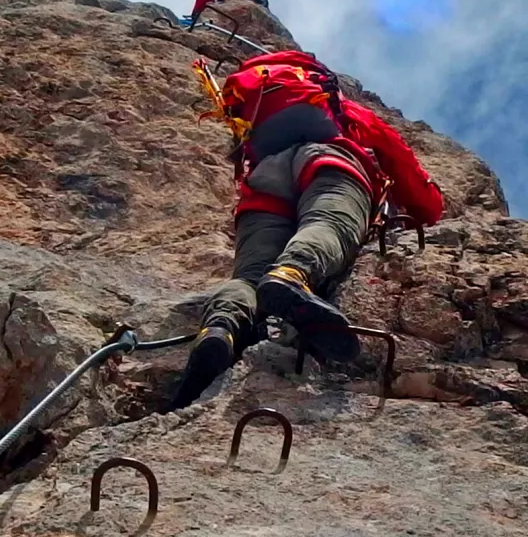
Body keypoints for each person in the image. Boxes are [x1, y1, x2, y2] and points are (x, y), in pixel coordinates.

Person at [168, 50, 443, 410]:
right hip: (327, 161)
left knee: (249, 275)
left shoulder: (253, 104)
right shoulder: (336, 102)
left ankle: (221, 328)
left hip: (265, 181)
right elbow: (403, 165)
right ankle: (292, 275)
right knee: (327, 223)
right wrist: (429, 210)